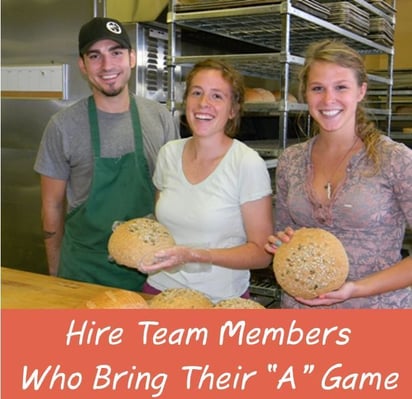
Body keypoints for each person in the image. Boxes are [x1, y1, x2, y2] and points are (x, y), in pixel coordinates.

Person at [34, 17, 179, 291]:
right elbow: (51, 206)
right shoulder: (63, 126)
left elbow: (172, 192)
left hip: (149, 270)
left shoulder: (159, 118)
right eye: (95, 56)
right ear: (83, 65)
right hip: (83, 271)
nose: (107, 65)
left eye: (116, 53)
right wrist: (54, 271)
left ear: (132, 58)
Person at [265, 39, 412, 309]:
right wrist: (281, 242)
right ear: (305, 94)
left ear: (361, 91)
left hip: (375, 314)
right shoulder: (292, 160)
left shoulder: (395, 159)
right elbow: (281, 235)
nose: (328, 99)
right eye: (317, 88)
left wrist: (356, 289)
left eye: (341, 87)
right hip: (303, 319)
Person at [139, 58, 274, 303]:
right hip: (160, 290)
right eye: (197, 93)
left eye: (217, 96)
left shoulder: (246, 163)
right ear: (186, 100)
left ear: (233, 109)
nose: (204, 104)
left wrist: (196, 255)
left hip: (219, 300)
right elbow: (161, 227)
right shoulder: (168, 153)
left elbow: (261, 254)